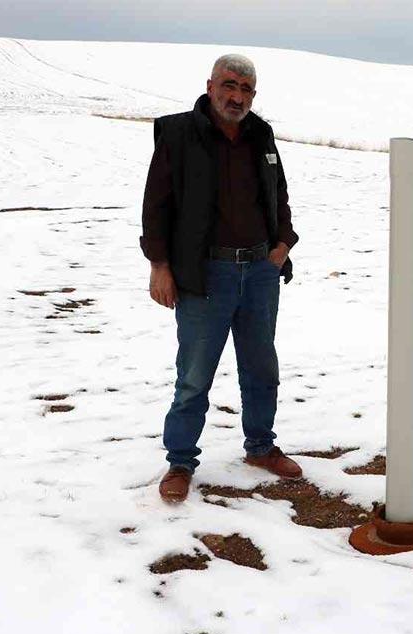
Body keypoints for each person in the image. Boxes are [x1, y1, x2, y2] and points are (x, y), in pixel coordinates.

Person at [141, 54, 304, 504]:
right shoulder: (178, 133)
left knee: (261, 368)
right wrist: (159, 265)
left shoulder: (261, 134)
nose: (237, 96)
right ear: (210, 85)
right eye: (229, 85)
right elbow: (156, 204)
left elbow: (278, 195)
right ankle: (180, 461)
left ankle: (261, 447)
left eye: (246, 89)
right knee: (194, 376)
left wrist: (282, 246)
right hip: (205, 274)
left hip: (260, 271)